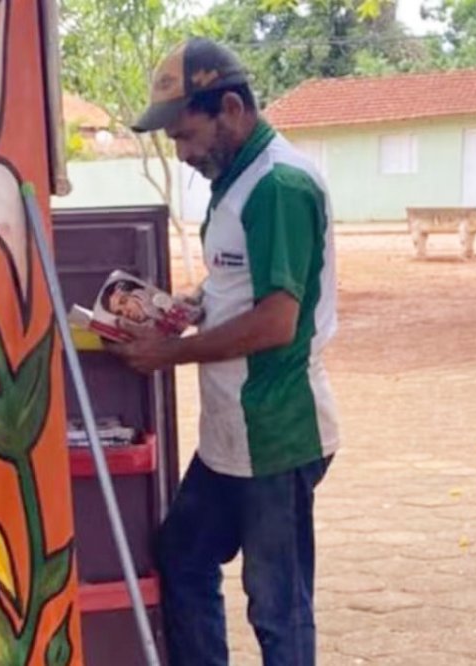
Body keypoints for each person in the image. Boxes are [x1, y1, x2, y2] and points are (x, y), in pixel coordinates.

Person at [109, 37, 339, 666]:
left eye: (187, 136)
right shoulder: (233, 181)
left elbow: (276, 323)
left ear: (231, 108)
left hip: (277, 430)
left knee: (277, 604)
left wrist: (168, 354)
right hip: (232, 430)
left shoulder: (279, 186)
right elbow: (240, 288)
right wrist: (190, 306)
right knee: (183, 552)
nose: (181, 155)